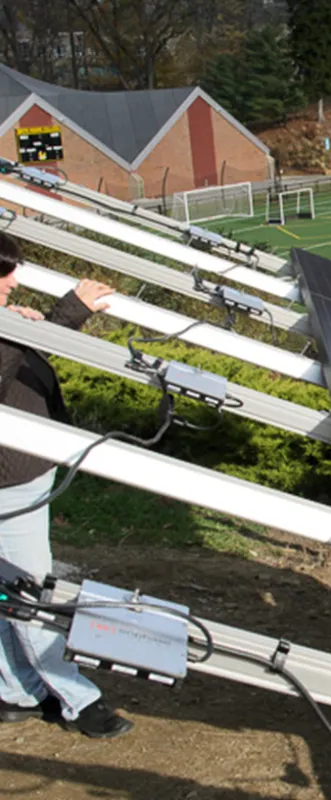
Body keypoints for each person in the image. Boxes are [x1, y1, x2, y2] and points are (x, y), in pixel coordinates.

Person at [0, 232, 134, 739]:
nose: (13, 281)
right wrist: (26, 327)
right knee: (32, 590)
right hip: (10, 482)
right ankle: (76, 698)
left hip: (19, 472)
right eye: (4, 272)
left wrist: (42, 322)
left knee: (8, 588)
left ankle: (16, 689)